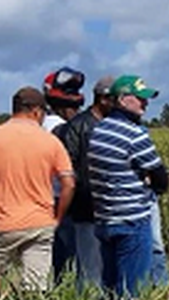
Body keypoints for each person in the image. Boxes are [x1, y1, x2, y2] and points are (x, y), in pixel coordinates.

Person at [0, 87, 75, 295]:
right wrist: (58, 217)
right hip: (41, 221)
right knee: (37, 285)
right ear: (37, 111)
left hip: (2, 220)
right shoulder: (51, 141)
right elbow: (69, 184)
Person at [87, 74, 169, 299]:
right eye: (140, 98)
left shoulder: (100, 130)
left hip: (105, 219)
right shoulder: (135, 134)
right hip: (132, 220)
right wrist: (150, 183)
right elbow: (161, 179)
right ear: (123, 100)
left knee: (111, 286)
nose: (145, 104)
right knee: (132, 292)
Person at [52, 75, 113, 288]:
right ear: (103, 99)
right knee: (89, 268)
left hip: (106, 208)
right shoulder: (78, 127)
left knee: (102, 265)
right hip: (87, 207)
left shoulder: (109, 125)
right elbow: (69, 170)